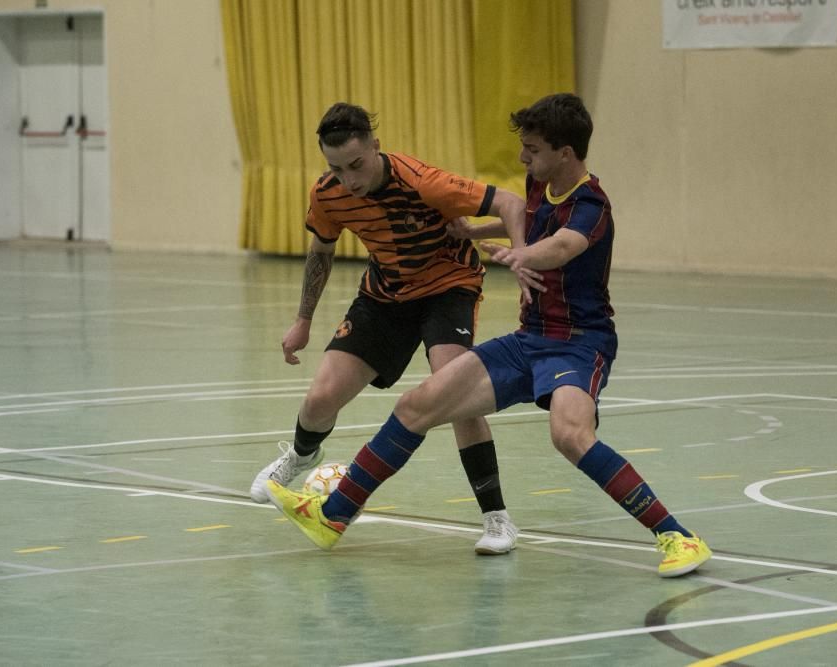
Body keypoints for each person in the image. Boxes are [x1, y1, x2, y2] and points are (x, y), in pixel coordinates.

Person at [266, 93, 713, 577]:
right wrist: (475, 234)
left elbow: (563, 244)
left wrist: (522, 256)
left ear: (566, 152)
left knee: (569, 436)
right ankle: (333, 516)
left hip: (578, 342)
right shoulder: (542, 186)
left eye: (533, 149)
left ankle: (677, 537)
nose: (523, 157)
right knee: (416, 406)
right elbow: (528, 219)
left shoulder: (591, 202)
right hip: (528, 340)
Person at [249, 102, 540, 555]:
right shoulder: (328, 193)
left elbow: (512, 202)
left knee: (456, 393)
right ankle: (303, 456)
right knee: (321, 398)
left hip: (448, 289)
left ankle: (497, 518)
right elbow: (321, 252)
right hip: (384, 296)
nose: (349, 179)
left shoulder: (422, 181)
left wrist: (522, 261)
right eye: (337, 168)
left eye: (356, 165)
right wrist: (303, 320)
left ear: (376, 148)